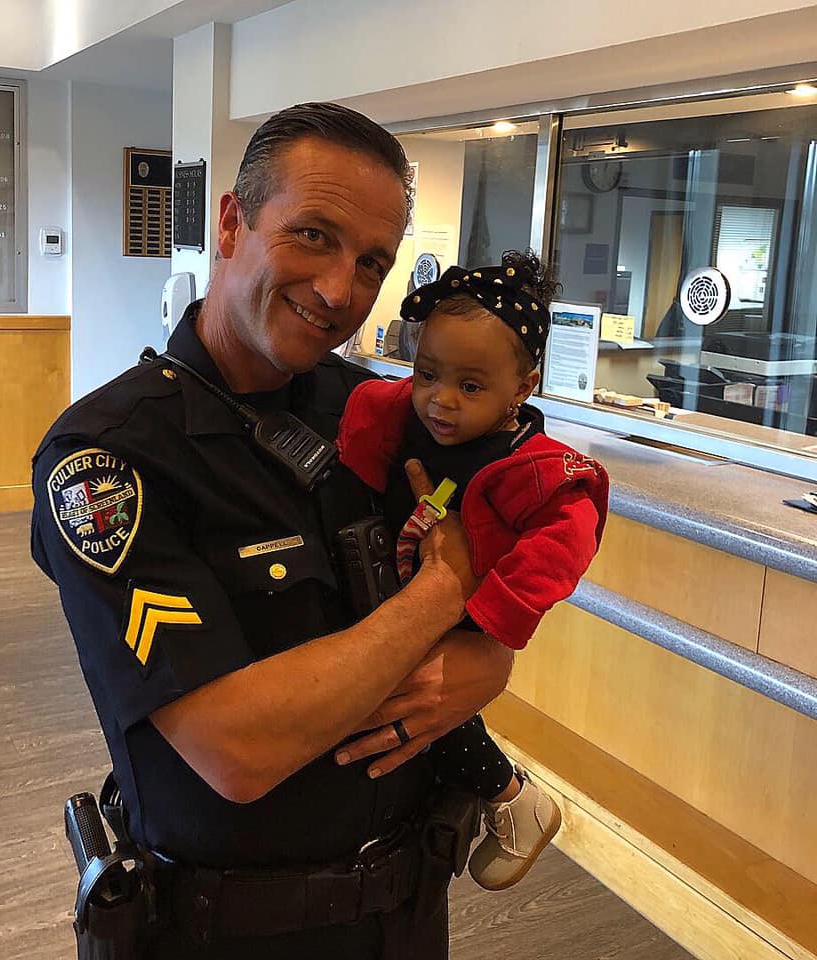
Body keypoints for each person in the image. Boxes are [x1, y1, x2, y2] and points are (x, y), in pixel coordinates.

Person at [30, 102, 515, 960]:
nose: (340, 291)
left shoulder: (378, 413)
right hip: (224, 929)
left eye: (371, 262)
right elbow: (237, 747)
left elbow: (494, 632)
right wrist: (438, 594)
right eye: (314, 236)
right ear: (231, 221)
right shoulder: (109, 459)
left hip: (408, 907)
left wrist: (480, 660)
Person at [336, 251, 609, 890]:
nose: (441, 401)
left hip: (461, 613)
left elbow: (563, 542)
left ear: (524, 388)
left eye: (472, 386)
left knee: (427, 713)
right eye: (428, 373)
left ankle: (512, 798)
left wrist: (495, 620)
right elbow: (369, 410)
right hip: (397, 586)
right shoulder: (404, 413)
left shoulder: (531, 467)